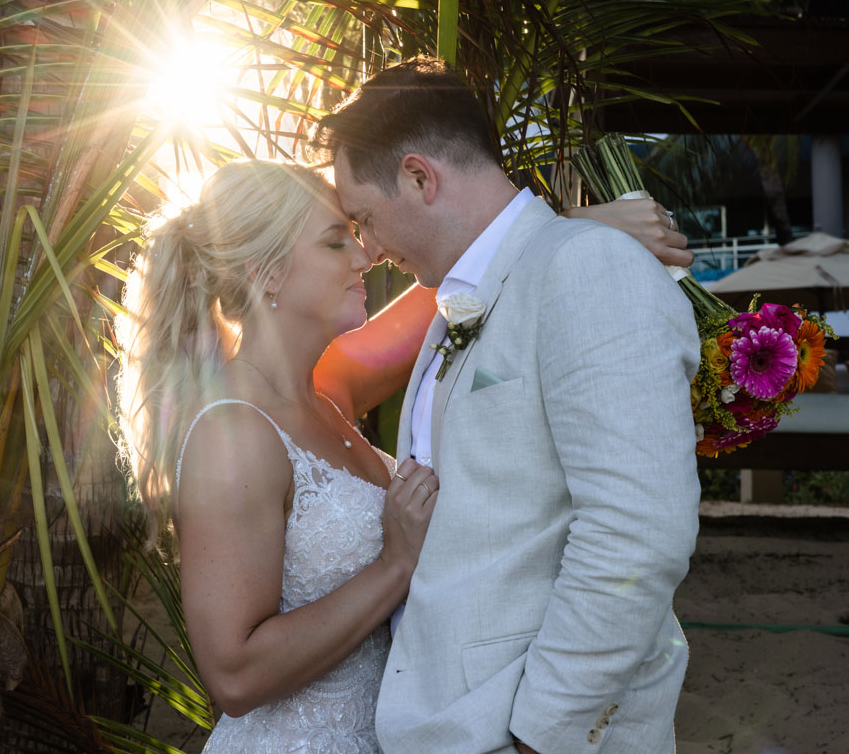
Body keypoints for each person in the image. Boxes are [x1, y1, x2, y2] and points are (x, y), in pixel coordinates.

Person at [114, 155, 691, 751]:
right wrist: (395, 566)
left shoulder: (329, 392)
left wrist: (566, 230)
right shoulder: (229, 434)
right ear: (267, 274)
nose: (365, 257)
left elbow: (466, 290)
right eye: (336, 242)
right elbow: (233, 675)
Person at [312, 56, 701, 754]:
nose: (367, 248)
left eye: (364, 219)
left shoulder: (588, 266)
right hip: (449, 720)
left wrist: (541, 735)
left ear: (419, 177)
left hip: (526, 731)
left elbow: (638, 532)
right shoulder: (457, 303)